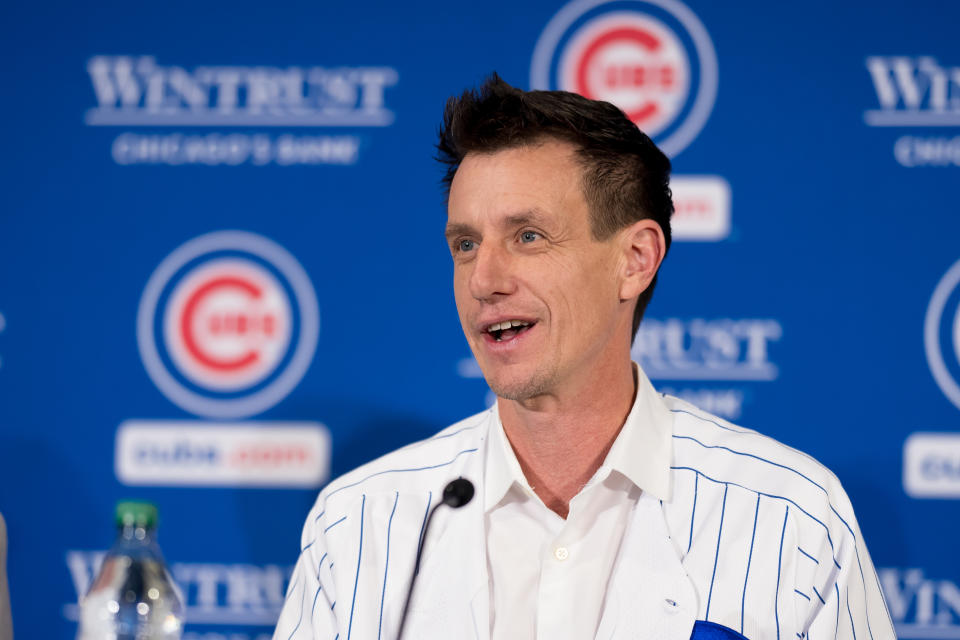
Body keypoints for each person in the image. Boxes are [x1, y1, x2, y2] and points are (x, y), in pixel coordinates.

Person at [273, 74, 895, 640]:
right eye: (465, 243)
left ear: (635, 260)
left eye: (529, 237)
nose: (483, 279)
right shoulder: (358, 525)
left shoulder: (795, 521)